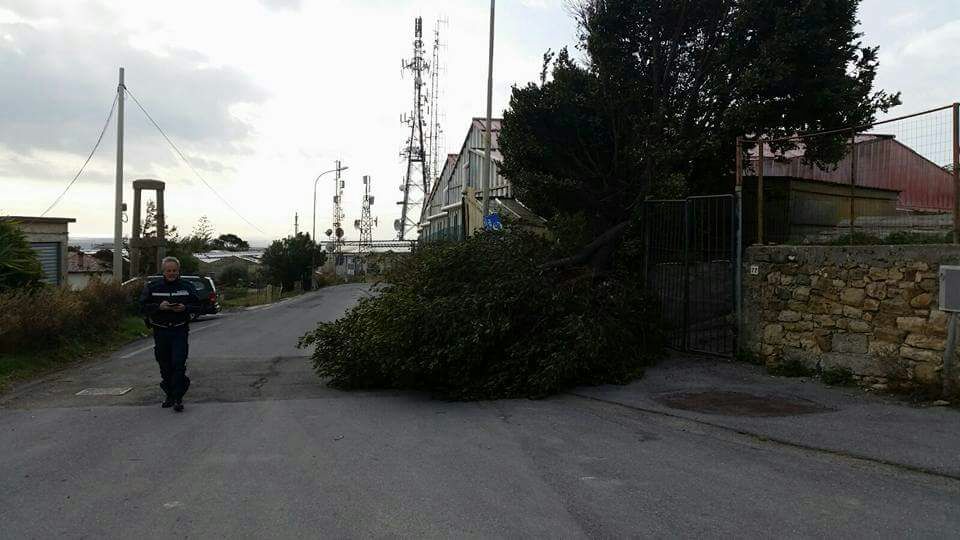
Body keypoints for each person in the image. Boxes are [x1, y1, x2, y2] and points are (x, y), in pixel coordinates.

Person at [139, 256, 202, 412]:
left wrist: (185, 308)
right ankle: (169, 394)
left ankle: (178, 398)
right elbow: (141, 307)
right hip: (160, 331)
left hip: (179, 330)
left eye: (174, 270)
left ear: (178, 271)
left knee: (178, 363)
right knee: (164, 365)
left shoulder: (187, 286)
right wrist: (158, 307)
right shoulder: (153, 287)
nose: (171, 273)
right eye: (168, 270)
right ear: (163, 271)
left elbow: (199, 306)